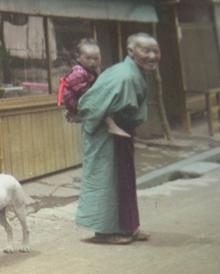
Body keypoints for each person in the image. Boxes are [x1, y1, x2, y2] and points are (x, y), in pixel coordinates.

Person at [75, 32, 161, 244]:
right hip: (105, 135)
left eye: (155, 51)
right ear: (131, 51)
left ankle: (128, 227)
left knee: (125, 181)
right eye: (146, 50)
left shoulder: (134, 73)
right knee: (107, 181)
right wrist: (110, 122)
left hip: (121, 132)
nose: (152, 56)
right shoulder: (124, 74)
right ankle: (105, 232)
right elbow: (89, 103)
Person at [58, 38, 130, 138]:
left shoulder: (92, 70)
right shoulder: (79, 72)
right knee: (100, 103)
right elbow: (86, 93)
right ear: (78, 58)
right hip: (75, 100)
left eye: (96, 58)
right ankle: (110, 124)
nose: (92, 62)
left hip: (83, 98)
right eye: (88, 58)